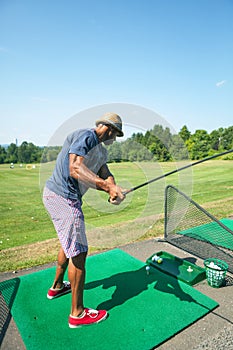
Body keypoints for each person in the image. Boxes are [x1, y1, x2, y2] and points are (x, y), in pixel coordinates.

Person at [43, 112, 126, 328]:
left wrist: (112, 189)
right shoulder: (87, 136)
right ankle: (77, 314)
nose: (115, 139)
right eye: (115, 134)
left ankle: (58, 286)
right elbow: (75, 168)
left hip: (57, 196)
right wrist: (108, 187)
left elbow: (105, 172)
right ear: (108, 129)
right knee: (79, 251)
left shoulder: (100, 149)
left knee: (67, 242)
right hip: (64, 198)